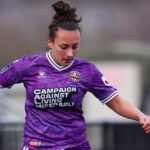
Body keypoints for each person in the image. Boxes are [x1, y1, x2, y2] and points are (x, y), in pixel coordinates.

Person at [0, 1, 150, 150]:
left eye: (75, 46)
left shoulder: (86, 70)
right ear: (50, 42)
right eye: (64, 47)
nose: (70, 53)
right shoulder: (28, 65)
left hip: (75, 146)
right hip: (37, 147)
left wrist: (141, 116)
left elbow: (116, 102)